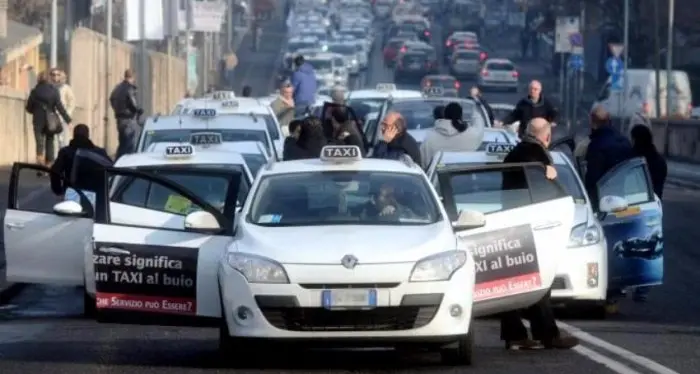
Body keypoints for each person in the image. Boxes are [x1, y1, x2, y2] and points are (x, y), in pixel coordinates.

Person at [499, 117, 579, 350]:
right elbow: (536, 182)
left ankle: (519, 334)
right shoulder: (534, 155)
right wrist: (545, 170)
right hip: (531, 227)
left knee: (518, 282)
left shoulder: (516, 152)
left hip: (512, 224)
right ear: (546, 136)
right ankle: (546, 334)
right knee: (538, 281)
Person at [629, 124, 667, 303]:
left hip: (635, 206)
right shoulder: (658, 160)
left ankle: (626, 283)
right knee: (652, 246)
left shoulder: (635, 159)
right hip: (655, 206)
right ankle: (644, 286)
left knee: (631, 245)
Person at [584, 105, 634, 209]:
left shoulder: (596, 145)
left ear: (592, 122)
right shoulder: (624, 141)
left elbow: (592, 178)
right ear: (609, 120)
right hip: (627, 197)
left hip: (604, 199)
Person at [50, 124, 112, 206]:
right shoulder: (100, 152)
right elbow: (111, 171)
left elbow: (55, 172)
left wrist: (58, 190)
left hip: (72, 194)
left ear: (73, 135)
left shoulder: (65, 152)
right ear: (88, 135)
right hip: (96, 196)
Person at [25, 71, 72, 173]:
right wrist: (68, 120)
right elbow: (60, 107)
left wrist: (36, 110)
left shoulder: (34, 91)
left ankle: (40, 166)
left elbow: (28, 108)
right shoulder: (54, 91)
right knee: (50, 141)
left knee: (39, 142)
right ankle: (49, 165)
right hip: (50, 120)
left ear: (39, 79)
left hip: (38, 120)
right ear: (49, 79)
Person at [419, 102, 485, 168]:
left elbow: (423, 163)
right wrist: (475, 112)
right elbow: (479, 127)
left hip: (438, 177)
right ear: (461, 116)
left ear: (445, 115)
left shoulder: (430, 139)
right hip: (468, 176)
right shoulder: (472, 135)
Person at [109, 69, 143, 159]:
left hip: (119, 120)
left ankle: (118, 162)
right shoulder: (130, 88)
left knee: (122, 143)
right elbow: (133, 103)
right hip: (128, 119)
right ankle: (127, 165)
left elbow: (112, 99)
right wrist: (138, 110)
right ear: (132, 77)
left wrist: (116, 109)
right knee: (130, 144)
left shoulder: (117, 88)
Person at [52, 68, 76, 150]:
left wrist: (68, 114)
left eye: (59, 76)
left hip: (62, 117)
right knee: (54, 138)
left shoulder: (66, 88)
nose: (57, 78)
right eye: (54, 75)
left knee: (62, 138)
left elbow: (72, 102)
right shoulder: (52, 87)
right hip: (52, 116)